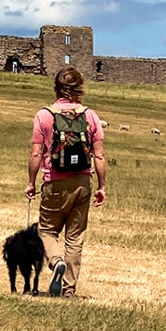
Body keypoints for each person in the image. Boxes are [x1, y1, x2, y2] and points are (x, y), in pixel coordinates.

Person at [26, 67, 105, 298]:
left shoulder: (44, 115)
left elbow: (35, 153)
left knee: (46, 230)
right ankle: (69, 290)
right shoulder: (90, 116)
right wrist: (101, 186)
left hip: (55, 182)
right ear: (80, 88)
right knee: (75, 237)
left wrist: (31, 182)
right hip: (83, 182)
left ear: (56, 87)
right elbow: (98, 155)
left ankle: (56, 261)